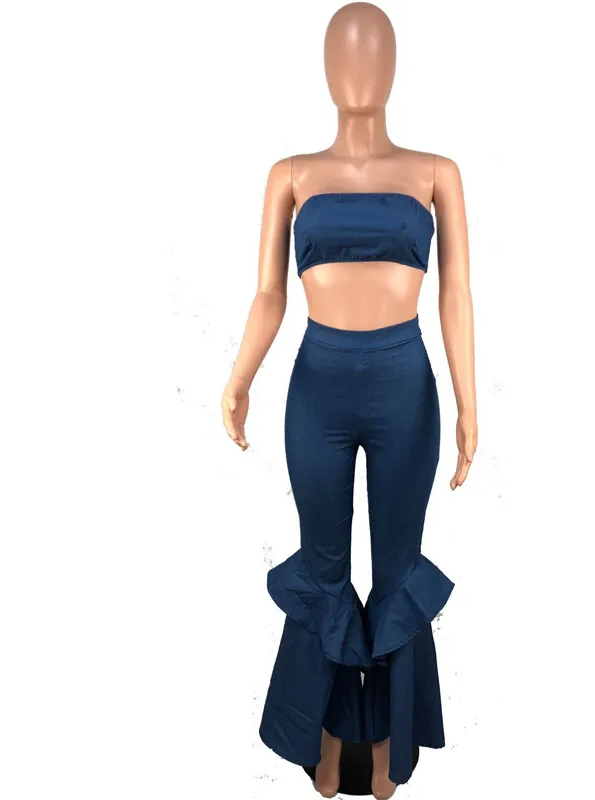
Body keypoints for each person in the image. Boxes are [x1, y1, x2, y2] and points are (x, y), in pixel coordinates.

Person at [221, 4, 477, 797]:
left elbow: (456, 294)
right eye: (344, 53)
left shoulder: (436, 172)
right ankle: (328, 736)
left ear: (392, 68)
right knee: (325, 567)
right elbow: (270, 292)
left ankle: (390, 745)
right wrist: (240, 375)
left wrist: (470, 405)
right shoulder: (290, 174)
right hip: (318, 385)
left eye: (372, 54)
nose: (357, 69)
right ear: (327, 69)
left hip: (405, 385)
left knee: (397, 570)